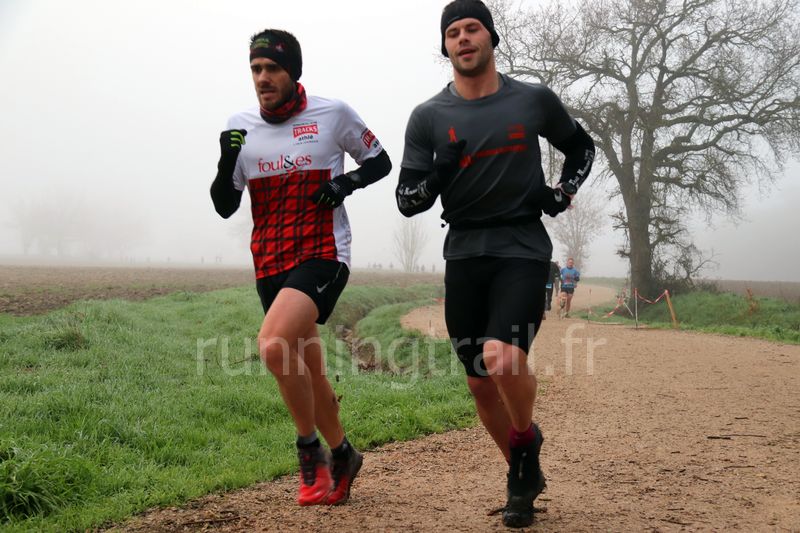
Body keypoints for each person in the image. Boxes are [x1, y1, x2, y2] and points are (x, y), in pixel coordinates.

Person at [395, 0, 595, 527]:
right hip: (463, 251)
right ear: (445, 47)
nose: (463, 38)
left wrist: (563, 192)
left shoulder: (532, 100)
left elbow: (582, 148)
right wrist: (438, 175)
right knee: (480, 381)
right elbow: (407, 201)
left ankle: (524, 442)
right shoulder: (428, 117)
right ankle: (522, 473)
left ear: (491, 38)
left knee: (503, 359)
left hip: (522, 246)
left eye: (472, 28)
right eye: (453, 32)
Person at [210, 29, 391, 506]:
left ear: (293, 72)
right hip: (269, 261)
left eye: (272, 68)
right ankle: (344, 453)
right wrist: (227, 159)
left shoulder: (332, 114)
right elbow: (225, 206)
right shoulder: (240, 126)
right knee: (311, 371)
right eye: (255, 69)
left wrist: (345, 184)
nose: (262, 78)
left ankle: (310, 451)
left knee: (273, 346)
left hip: (323, 253)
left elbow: (380, 161)